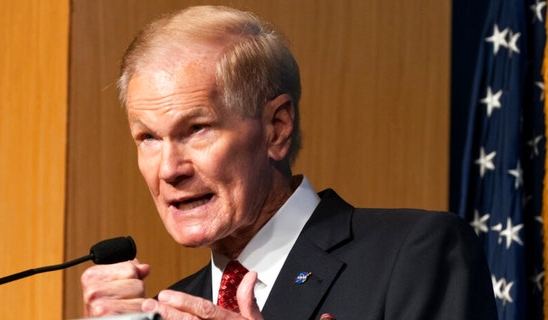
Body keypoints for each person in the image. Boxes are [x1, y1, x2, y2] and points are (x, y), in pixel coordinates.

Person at [81, 5, 497, 319]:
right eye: (148, 138)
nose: (170, 169)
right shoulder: (165, 309)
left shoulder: (414, 255)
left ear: (277, 128)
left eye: (197, 129)